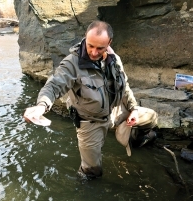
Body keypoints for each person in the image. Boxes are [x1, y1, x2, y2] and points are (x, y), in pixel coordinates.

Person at [23, 20, 158, 181]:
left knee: (152, 117)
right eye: (90, 46)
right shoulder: (72, 63)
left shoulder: (115, 59)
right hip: (90, 123)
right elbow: (53, 86)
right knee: (91, 172)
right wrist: (41, 106)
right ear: (85, 39)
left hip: (116, 111)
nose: (93, 52)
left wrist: (134, 108)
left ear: (109, 43)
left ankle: (136, 139)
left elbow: (125, 86)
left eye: (100, 48)